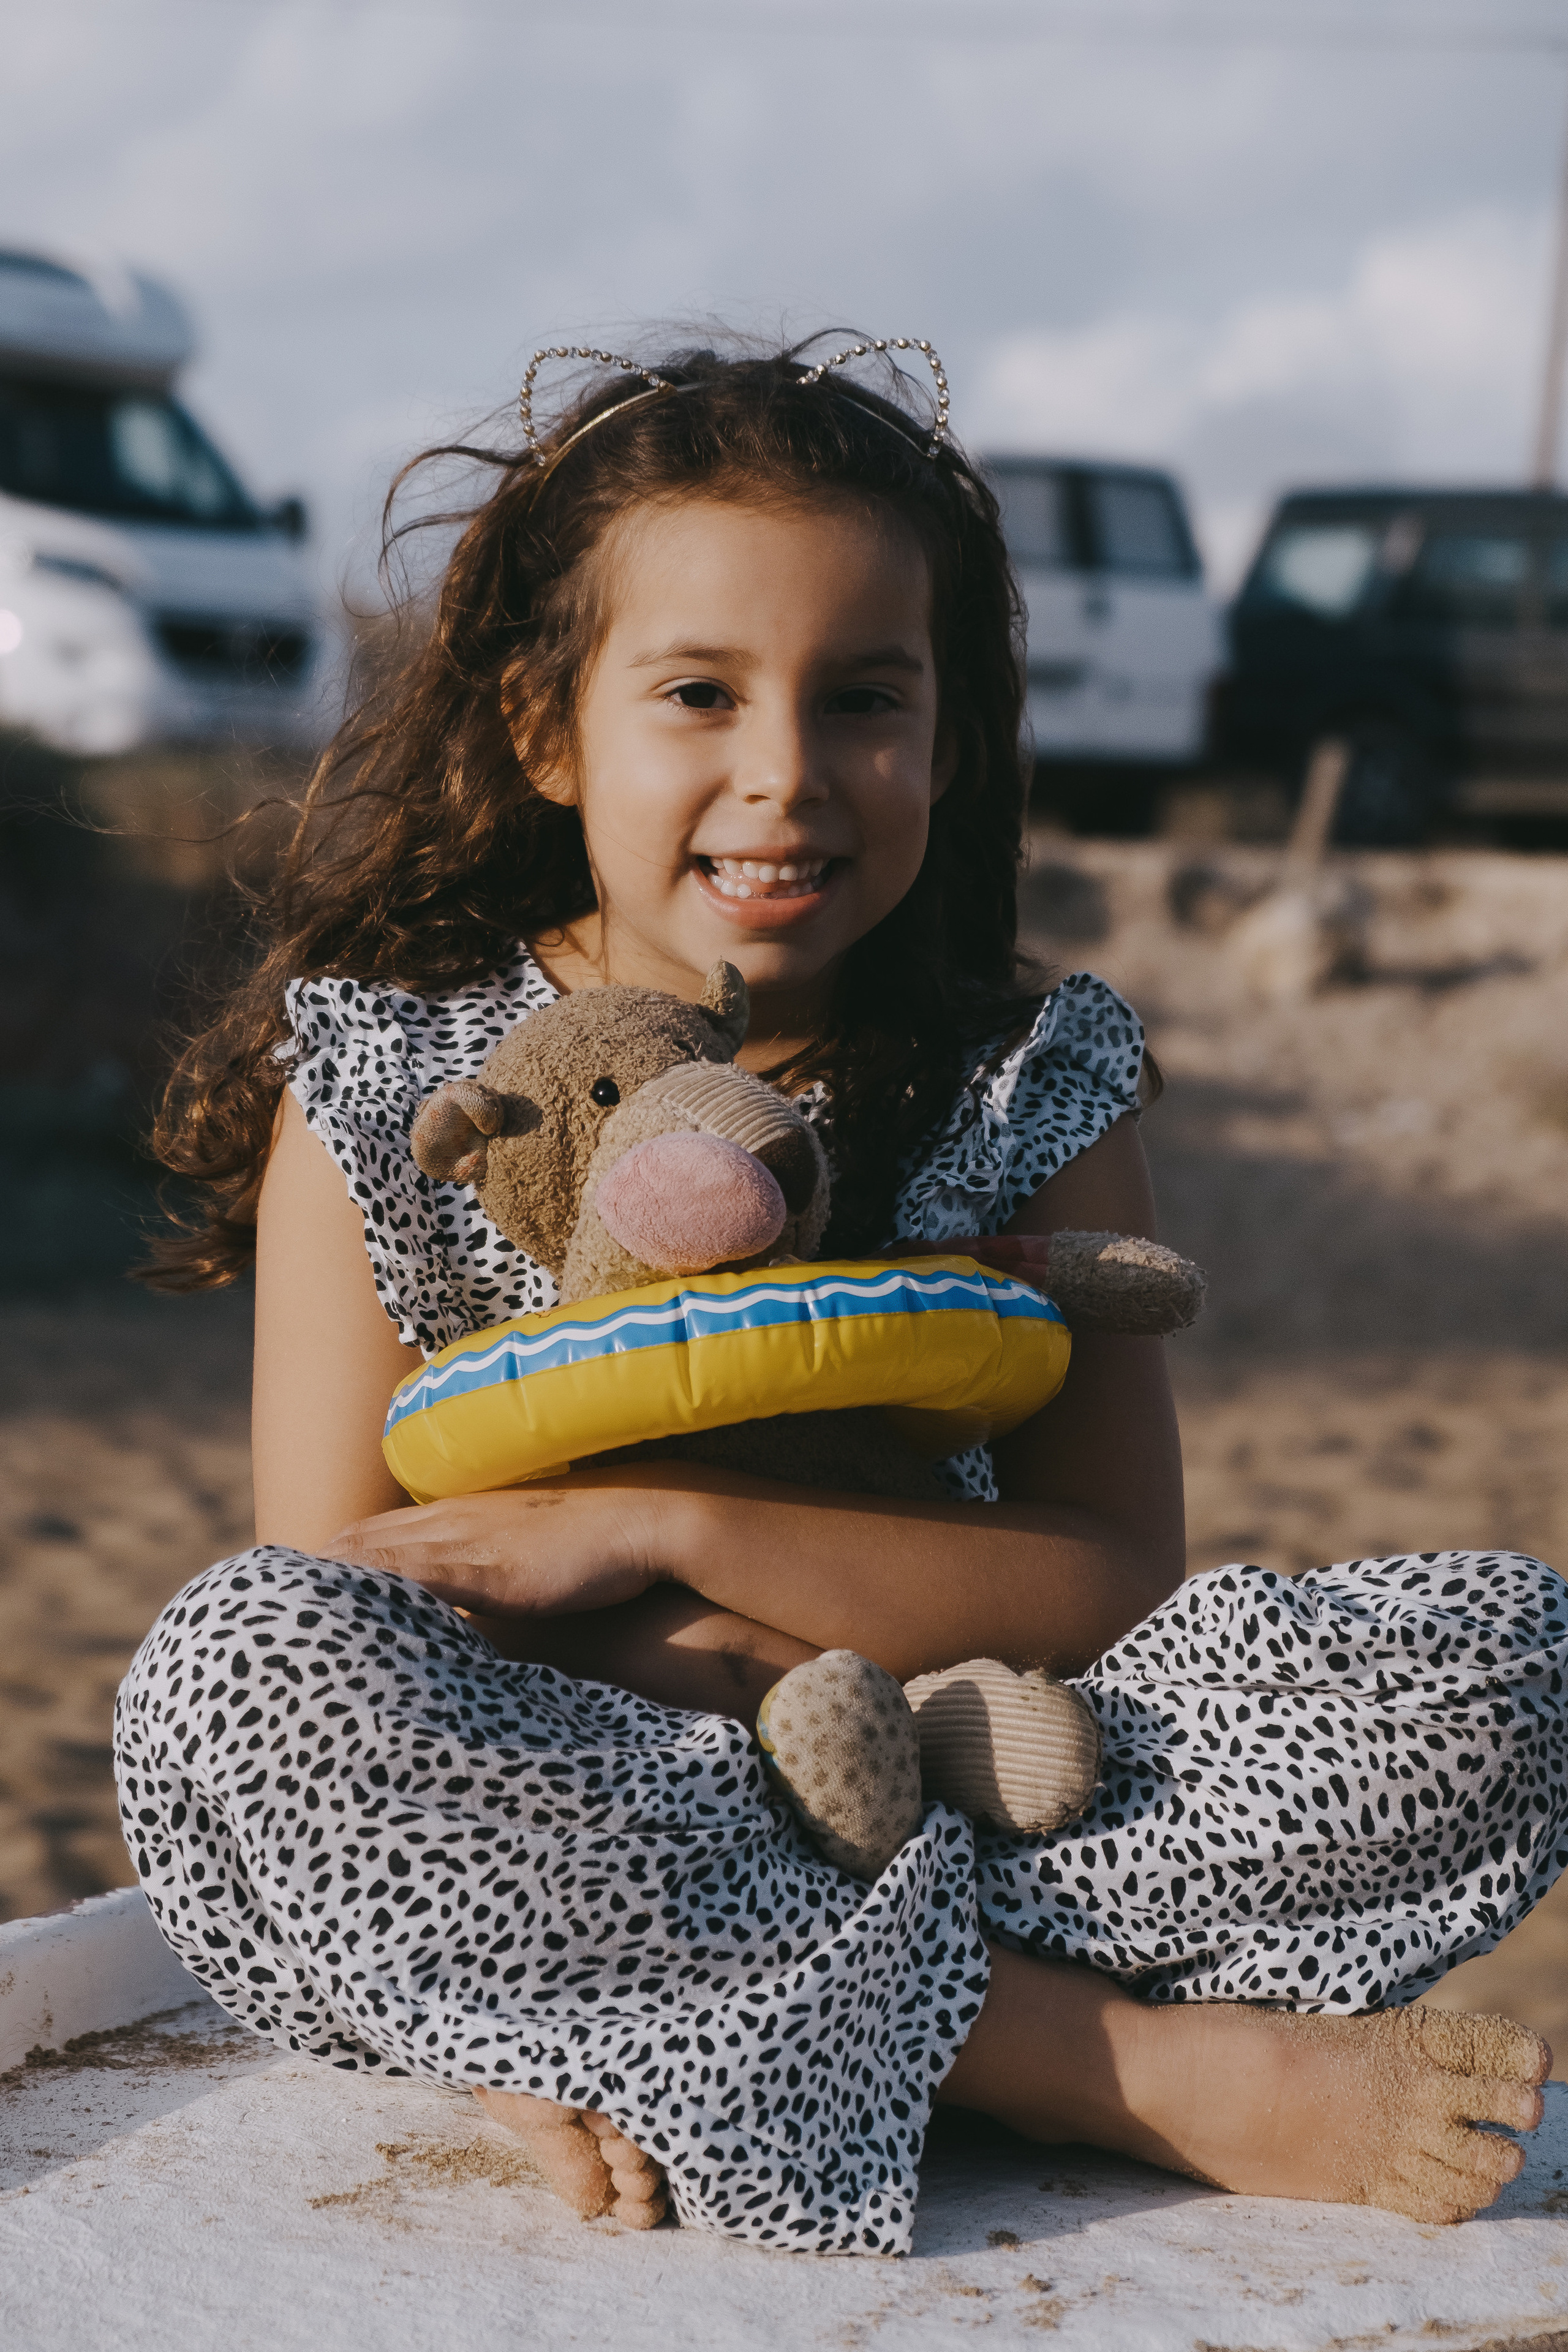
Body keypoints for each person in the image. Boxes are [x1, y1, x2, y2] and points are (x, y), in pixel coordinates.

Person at [116, 339, 1566, 2253]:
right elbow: (360, 1599)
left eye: (866, 696)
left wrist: (667, 1531)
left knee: (1503, 1663)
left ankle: (662, 2032)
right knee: (236, 1678)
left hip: (983, 1768)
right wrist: (731, 1689)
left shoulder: (1024, 1081)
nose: (787, 771)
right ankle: (1103, 2066)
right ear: (547, 730)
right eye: (699, 693)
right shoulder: (389, 1089)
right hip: (576, 1799)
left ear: (947, 741)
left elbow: (1114, 1578)